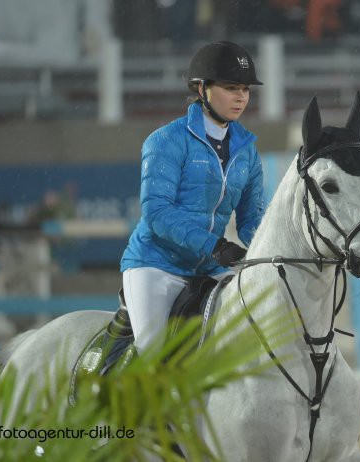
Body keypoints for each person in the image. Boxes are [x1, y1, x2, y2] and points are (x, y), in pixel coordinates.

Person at [120, 41, 266, 352]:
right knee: (152, 355)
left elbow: (252, 219)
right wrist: (214, 246)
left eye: (245, 89)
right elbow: (157, 213)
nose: (241, 96)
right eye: (230, 87)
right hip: (155, 266)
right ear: (201, 89)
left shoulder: (247, 152)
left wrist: (271, 251)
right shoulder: (165, 141)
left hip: (210, 269)